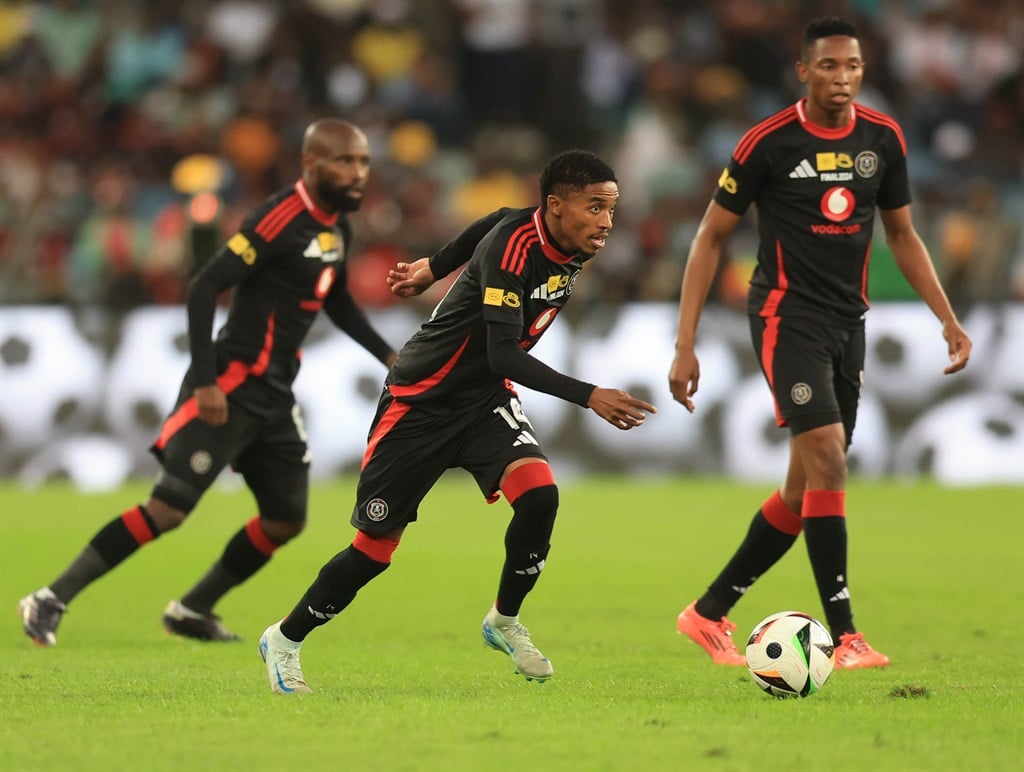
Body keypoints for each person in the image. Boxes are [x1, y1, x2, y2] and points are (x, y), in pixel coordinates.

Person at [257, 149, 656, 693]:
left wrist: (432, 267)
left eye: (612, 208)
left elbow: (493, 219)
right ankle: (284, 638)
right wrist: (589, 395)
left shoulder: (558, 234)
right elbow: (503, 354)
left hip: (482, 401)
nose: (607, 221)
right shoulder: (516, 252)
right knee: (373, 551)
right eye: (596, 207)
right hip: (420, 403)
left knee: (540, 496)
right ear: (557, 206)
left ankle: (505, 620)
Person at [18, 119, 397, 646]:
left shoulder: (336, 228)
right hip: (230, 387)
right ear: (311, 165)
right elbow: (204, 287)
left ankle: (193, 608)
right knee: (168, 509)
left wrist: (386, 354)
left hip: (275, 395)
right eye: (344, 162)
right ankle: (50, 597)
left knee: (286, 520)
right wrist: (205, 382)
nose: (358, 173)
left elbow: (335, 299)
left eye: (363, 162)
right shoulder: (278, 218)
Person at [668, 17, 972, 670]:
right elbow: (709, 239)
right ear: (803, 72)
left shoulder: (882, 139)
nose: (843, 78)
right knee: (830, 459)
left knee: (803, 492)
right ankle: (847, 636)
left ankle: (707, 612)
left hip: (847, 323)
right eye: (829, 66)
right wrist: (685, 342)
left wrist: (946, 318)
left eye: (853, 66)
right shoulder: (767, 143)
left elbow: (903, 236)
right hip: (784, 317)